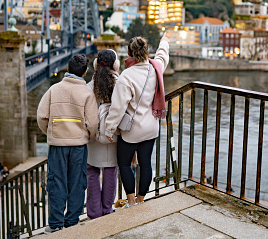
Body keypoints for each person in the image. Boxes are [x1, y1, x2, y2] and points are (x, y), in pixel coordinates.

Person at [37, 53, 99, 233]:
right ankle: (71, 221)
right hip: (79, 145)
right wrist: (87, 136)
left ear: (67, 70)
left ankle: (55, 224)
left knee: (56, 182)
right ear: (85, 73)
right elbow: (93, 124)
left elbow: (42, 116)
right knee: (77, 183)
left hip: (57, 145)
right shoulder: (87, 94)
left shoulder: (53, 90)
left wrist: (52, 133)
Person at [105, 36, 169, 207]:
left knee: (125, 164)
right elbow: (163, 56)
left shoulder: (126, 77)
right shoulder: (156, 68)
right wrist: (164, 42)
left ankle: (131, 202)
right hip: (151, 127)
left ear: (129, 53)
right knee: (146, 163)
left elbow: (117, 108)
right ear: (147, 51)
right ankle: (142, 201)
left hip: (132, 131)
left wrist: (109, 129)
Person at [85, 49, 119, 219]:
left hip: (93, 136)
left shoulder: (89, 86)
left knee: (91, 171)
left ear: (96, 65)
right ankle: (107, 209)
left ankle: (93, 212)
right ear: (115, 65)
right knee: (111, 171)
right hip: (112, 136)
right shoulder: (120, 83)